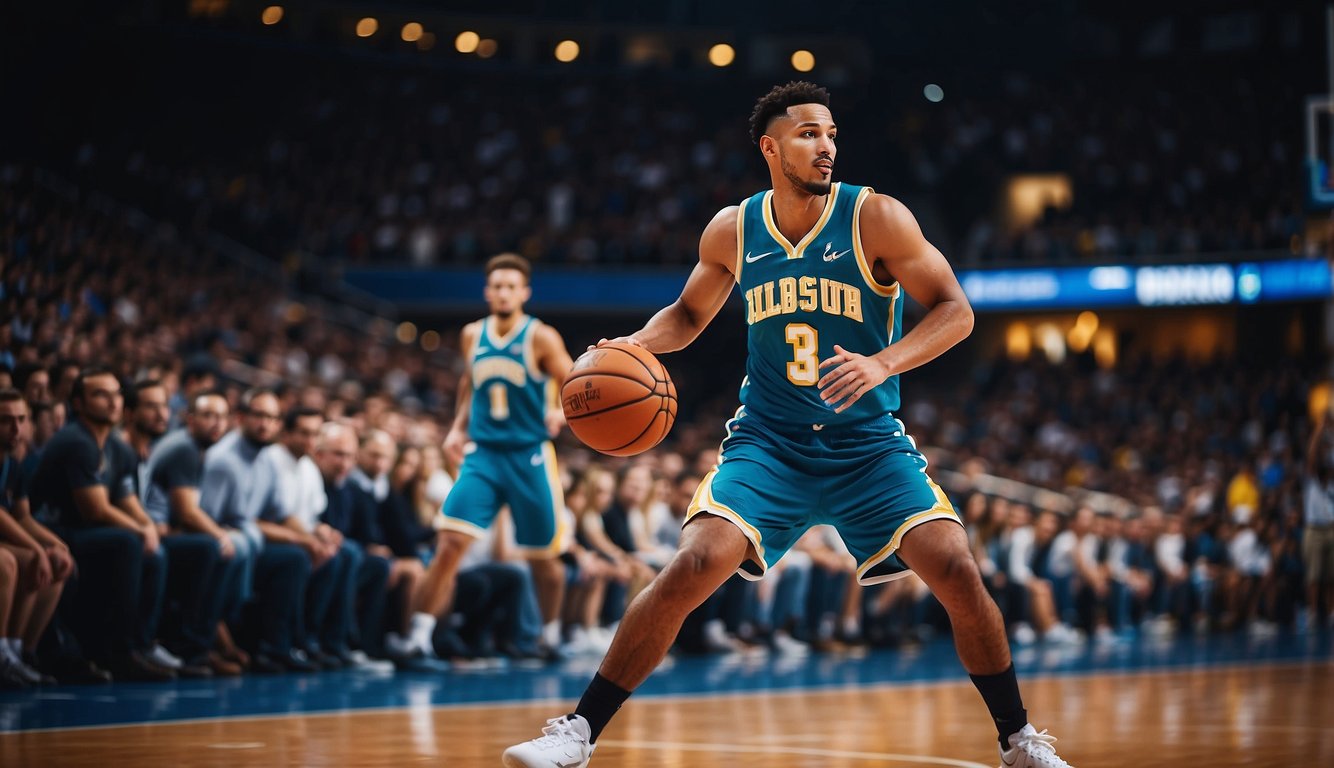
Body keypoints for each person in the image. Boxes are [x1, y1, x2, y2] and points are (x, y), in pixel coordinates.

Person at [504, 82, 1074, 768]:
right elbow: (687, 318)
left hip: (867, 445)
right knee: (692, 564)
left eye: (831, 133)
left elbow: (956, 310)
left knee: (956, 566)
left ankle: (1019, 741)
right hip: (769, 442)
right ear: (771, 147)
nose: (826, 145)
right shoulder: (733, 229)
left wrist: (882, 362)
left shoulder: (876, 217)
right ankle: (576, 733)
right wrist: (628, 348)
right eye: (808, 134)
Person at [409, 253, 575, 660]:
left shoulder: (541, 336)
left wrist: (561, 410)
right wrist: (458, 427)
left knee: (544, 561)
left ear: (524, 293)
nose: (502, 292)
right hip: (483, 454)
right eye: (496, 285)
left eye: (510, 286)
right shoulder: (472, 335)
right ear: (487, 292)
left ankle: (550, 635)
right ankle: (416, 637)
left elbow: (573, 381)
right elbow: (470, 382)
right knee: (449, 542)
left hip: (529, 454)